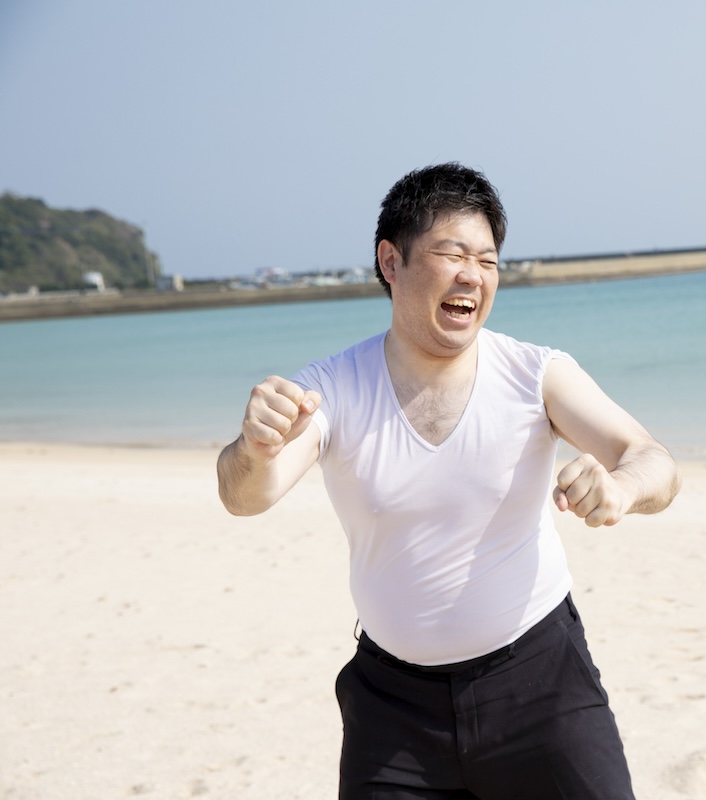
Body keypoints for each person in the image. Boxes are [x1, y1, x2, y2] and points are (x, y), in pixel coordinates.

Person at [216, 162, 681, 799]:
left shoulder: (535, 374)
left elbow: (653, 459)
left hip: (541, 687)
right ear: (391, 261)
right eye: (452, 254)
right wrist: (253, 447)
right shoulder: (333, 388)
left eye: (488, 261)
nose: (473, 275)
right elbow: (246, 496)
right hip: (394, 712)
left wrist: (622, 488)